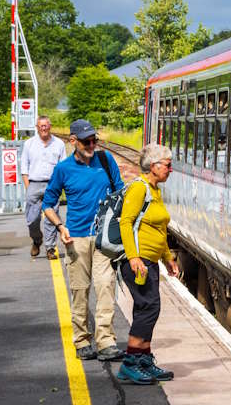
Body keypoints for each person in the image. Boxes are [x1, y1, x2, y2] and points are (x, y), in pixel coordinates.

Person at [42, 119, 125, 362]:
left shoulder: (106, 161)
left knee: (106, 286)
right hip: (75, 238)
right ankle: (81, 340)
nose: (92, 145)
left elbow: (120, 192)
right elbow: (48, 203)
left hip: (104, 238)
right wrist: (60, 226)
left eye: (94, 140)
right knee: (80, 291)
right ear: (73, 142)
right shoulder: (63, 169)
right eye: (86, 141)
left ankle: (106, 341)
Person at [116, 143, 179, 384]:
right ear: (154, 167)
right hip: (138, 261)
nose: (170, 170)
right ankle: (130, 363)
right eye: (167, 165)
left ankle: (143, 359)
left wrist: (167, 258)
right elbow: (126, 222)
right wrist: (133, 258)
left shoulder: (155, 190)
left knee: (147, 308)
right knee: (148, 308)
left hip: (150, 261)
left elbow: (159, 230)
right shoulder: (138, 189)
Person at [21, 115, 67, 261]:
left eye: (46, 125)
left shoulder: (59, 144)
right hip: (33, 184)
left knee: (51, 218)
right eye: (41, 126)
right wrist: (28, 188)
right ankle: (36, 240)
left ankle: (50, 248)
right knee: (32, 219)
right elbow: (24, 168)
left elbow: (63, 167)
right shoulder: (29, 144)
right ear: (37, 127)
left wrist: (60, 186)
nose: (43, 128)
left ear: (50, 126)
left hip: (52, 185)